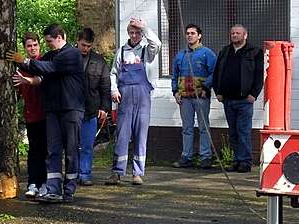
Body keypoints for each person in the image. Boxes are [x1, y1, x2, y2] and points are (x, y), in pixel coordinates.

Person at [7, 24, 84, 203]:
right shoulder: (52, 55)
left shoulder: (71, 54)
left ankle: (69, 189)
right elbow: (40, 69)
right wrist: (21, 63)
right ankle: (53, 189)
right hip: (53, 110)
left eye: (49, 41)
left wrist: (24, 61)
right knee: (53, 150)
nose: (47, 45)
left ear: (59, 37)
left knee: (71, 150)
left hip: (71, 108)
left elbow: (49, 67)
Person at [106, 16, 161, 186]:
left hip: (143, 97)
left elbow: (157, 44)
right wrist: (113, 89)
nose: (135, 35)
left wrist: (144, 27)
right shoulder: (121, 51)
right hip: (125, 98)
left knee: (140, 136)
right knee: (122, 135)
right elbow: (113, 74)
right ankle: (117, 172)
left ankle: (138, 173)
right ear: (128, 33)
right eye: (132, 32)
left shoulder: (147, 50)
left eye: (138, 33)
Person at [212, 24, 264, 173]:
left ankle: (245, 162)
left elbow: (259, 75)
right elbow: (217, 73)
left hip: (244, 100)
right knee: (233, 132)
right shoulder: (224, 51)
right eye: (233, 33)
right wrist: (218, 91)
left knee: (244, 131)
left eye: (238, 33)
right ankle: (236, 160)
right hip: (228, 99)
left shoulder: (254, 52)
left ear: (245, 35)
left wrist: (254, 94)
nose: (234, 35)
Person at [171, 24, 217, 169]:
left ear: (199, 35)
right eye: (188, 33)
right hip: (185, 98)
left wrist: (206, 88)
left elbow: (214, 73)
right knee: (187, 128)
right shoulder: (180, 55)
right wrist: (175, 92)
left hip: (201, 97)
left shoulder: (207, 54)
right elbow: (175, 75)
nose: (190, 35)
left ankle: (206, 156)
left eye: (193, 33)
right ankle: (187, 156)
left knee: (203, 126)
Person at [12, 32, 47, 199]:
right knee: (34, 150)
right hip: (31, 115)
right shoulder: (21, 69)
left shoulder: (44, 62)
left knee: (46, 150)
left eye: (35, 45)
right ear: (25, 48)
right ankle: (33, 182)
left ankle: (45, 183)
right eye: (29, 46)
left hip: (47, 115)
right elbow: (18, 91)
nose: (32, 48)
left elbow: (42, 79)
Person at [76, 28, 111, 186]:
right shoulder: (68, 58)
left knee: (88, 145)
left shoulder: (99, 61)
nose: (85, 49)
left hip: (91, 109)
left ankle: (84, 174)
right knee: (72, 144)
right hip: (72, 109)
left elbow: (105, 86)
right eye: (83, 45)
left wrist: (104, 107)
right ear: (77, 41)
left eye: (89, 46)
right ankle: (73, 173)